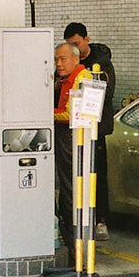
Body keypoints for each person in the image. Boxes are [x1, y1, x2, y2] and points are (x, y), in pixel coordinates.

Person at [63, 22, 116, 240]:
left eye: (76, 44)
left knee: (96, 174)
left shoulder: (101, 63)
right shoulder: (68, 61)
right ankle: (71, 219)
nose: (73, 49)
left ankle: (100, 220)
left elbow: (107, 92)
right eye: (69, 45)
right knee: (72, 175)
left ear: (87, 39)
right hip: (71, 127)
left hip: (95, 128)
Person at [53, 41, 92, 253]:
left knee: (71, 190)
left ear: (76, 59)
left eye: (63, 59)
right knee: (66, 190)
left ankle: (75, 246)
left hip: (75, 139)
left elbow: (73, 115)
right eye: (56, 59)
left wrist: (42, 113)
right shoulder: (64, 80)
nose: (58, 63)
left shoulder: (83, 80)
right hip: (64, 138)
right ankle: (69, 240)